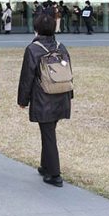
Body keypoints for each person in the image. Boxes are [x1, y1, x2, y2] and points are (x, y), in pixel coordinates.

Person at [17, 13, 73, 187]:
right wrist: (70, 95)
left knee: (48, 133)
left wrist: (22, 100)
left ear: (36, 28)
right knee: (48, 131)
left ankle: (54, 174)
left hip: (44, 98)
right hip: (61, 94)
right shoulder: (61, 46)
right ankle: (45, 165)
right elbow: (68, 74)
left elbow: (27, 77)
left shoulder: (33, 49)